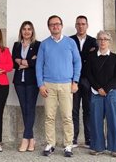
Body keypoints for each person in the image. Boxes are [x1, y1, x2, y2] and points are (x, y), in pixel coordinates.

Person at [36, 15, 81, 158]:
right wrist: (40, 84)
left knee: (67, 116)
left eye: (57, 24)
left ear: (61, 26)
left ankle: (68, 145)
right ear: (48, 27)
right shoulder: (44, 44)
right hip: (49, 85)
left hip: (66, 84)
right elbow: (39, 66)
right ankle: (50, 144)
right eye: (52, 24)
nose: (55, 26)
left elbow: (77, 62)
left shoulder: (70, 43)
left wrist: (75, 81)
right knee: (49, 117)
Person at [84, 30, 116, 157]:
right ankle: (97, 146)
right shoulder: (91, 57)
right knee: (95, 120)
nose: (103, 41)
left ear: (109, 41)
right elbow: (88, 74)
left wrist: (106, 89)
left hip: (112, 92)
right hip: (96, 92)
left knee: (113, 120)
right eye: (100, 39)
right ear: (97, 41)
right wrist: (98, 88)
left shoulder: (115, 57)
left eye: (105, 39)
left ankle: (115, 147)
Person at [12, 21, 40, 152]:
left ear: (32, 31)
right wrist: (29, 62)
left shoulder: (37, 45)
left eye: (29, 29)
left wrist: (22, 62)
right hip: (19, 81)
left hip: (32, 81)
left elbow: (38, 62)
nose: (27, 31)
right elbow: (13, 62)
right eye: (24, 29)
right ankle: (31, 139)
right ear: (21, 31)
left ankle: (25, 139)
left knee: (30, 108)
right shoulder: (16, 45)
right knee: (24, 108)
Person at [70, 15, 97, 148]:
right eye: (78, 24)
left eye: (83, 24)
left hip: (88, 79)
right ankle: (73, 138)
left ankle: (89, 139)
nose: (81, 26)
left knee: (88, 110)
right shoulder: (69, 40)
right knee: (73, 109)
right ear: (75, 26)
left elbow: (94, 59)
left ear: (87, 25)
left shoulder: (93, 41)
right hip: (73, 80)